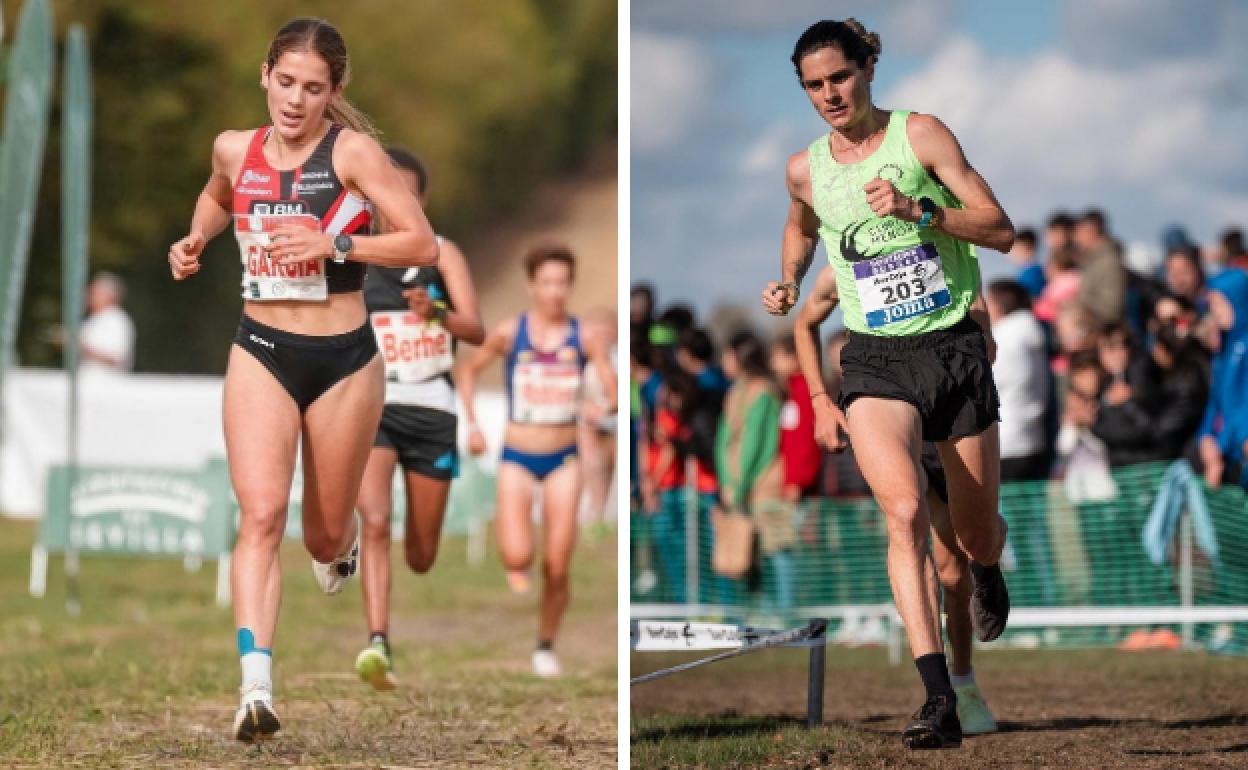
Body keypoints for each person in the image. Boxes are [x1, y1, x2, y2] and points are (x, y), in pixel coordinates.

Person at [166, 18, 438, 742]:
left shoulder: (353, 153)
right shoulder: (234, 147)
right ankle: (255, 686)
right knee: (259, 514)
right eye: (285, 82)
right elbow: (219, 196)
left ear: (334, 92)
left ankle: (339, 547)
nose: (294, 100)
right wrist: (195, 239)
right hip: (260, 347)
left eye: (313, 88)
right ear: (265, 75)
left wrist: (335, 241)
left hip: (345, 359)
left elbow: (422, 242)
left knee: (320, 535)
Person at [760, 18, 1013, 749]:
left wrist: (919, 209)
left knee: (971, 537)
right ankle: (939, 697)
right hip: (873, 360)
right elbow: (801, 228)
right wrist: (787, 280)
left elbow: (1001, 230)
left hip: (954, 351)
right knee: (901, 513)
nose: (829, 94)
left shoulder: (923, 137)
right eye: (814, 85)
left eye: (839, 76)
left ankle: (991, 566)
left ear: (867, 66)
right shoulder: (805, 168)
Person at [791, 266, 999, 735]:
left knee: (957, 564)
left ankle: (966, 664)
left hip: (947, 416)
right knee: (907, 524)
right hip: (891, 420)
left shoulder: (939, 251)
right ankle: (947, 688)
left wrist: (982, 338)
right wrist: (820, 399)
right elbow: (804, 321)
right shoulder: (843, 269)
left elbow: (976, 301)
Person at [352, 147, 483, 691]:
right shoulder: (356, 258)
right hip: (377, 407)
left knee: (422, 554)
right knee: (375, 522)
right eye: (386, 191)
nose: (395, 203)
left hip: (433, 410)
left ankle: (417, 550)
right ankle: (378, 639)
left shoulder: (443, 254)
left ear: (422, 200)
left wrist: (438, 314)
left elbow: (476, 329)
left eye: (406, 193)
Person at [459, 244, 616, 677]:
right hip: (516, 455)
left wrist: (600, 407)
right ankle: (514, 562)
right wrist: (472, 423)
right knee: (517, 554)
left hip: (564, 458)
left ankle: (545, 644)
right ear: (531, 285)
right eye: (546, 282)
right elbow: (469, 372)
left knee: (558, 564)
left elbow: (612, 386)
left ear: (570, 285)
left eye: (561, 282)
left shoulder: (584, 336)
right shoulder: (512, 332)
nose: (554, 291)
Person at [79, 272, 137, 373]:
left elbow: (116, 358)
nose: (88, 296)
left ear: (110, 296)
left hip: (107, 384)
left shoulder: (117, 320)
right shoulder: (94, 319)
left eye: (94, 293)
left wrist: (77, 345)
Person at [1008, 228, 1045, 301]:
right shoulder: (1029, 271)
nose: (1010, 253)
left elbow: (1032, 299)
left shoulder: (1032, 273)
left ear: (1026, 247)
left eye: (1012, 248)